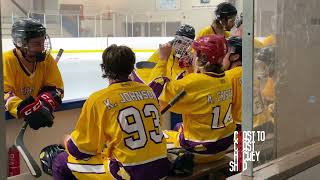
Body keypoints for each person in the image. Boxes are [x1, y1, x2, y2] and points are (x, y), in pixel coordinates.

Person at [51, 45, 170, 180]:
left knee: (60, 161)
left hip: (129, 174)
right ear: (132, 67)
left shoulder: (99, 99)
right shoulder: (149, 91)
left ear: (104, 68)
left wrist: (65, 140)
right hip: (161, 169)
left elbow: (80, 150)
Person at [149, 35, 236, 163]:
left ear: (203, 58)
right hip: (223, 144)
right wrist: (191, 70)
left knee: (163, 136)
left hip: (202, 150)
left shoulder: (194, 82)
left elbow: (156, 89)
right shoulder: (227, 78)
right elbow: (202, 91)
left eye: (195, 53)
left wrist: (163, 59)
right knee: (179, 125)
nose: (192, 55)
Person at [3, 18, 63, 130]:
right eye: (36, 43)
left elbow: (57, 89)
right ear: (20, 43)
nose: (42, 48)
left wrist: (43, 105)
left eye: (43, 42)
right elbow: (4, 93)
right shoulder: (6, 61)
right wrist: (27, 108)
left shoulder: (47, 60)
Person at [223, 36, 242, 131]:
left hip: (241, 127)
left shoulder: (228, 76)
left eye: (224, 54)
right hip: (261, 123)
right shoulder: (252, 71)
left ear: (235, 57)